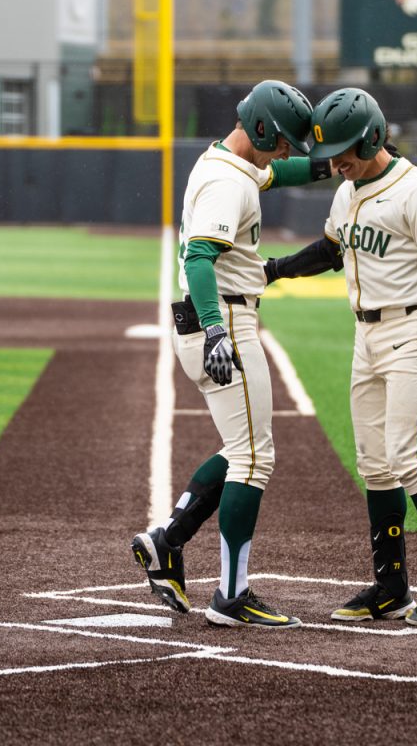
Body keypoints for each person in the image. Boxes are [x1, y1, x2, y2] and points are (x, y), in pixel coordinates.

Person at [265, 87, 417, 628]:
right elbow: (331, 251)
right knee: (375, 465)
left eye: (345, 153)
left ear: (374, 137)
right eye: (332, 155)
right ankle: (391, 586)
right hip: (366, 336)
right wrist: (275, 270)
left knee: (409, 458)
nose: (336, 164)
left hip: (413, 331)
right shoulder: (349, 190)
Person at [131, 79, 328, 628]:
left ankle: (167, 542)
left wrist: (332, 165)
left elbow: (277, 171)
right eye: (284, 139)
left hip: (214, 319)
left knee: (243, 446)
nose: (288, 150)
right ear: (263, 129)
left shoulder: (231, 162)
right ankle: (231, 595)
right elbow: (198, 259)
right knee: (254, 457)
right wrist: (218, 331)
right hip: (221, 320)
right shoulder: (226, 183)